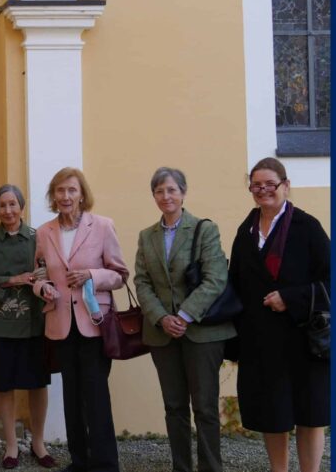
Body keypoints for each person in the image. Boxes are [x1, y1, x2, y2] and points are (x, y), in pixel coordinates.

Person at [229, 157, 330, 472]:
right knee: (274, 415)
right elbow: (234, 285)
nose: (263, 190)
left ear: (286, 186)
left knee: (309, 413)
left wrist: (290, 298)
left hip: (304, 338)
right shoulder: (245, 232)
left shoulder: (307, 226)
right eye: (256, 185)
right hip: (262, 341)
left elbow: (333, 279)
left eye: (270, 184)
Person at [133, 167, 236, 472]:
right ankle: (181, 467)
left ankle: (210, 468)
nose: (166, 196)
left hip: (202, 333)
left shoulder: (204, 229)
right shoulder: (146, 236)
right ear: (154, 196)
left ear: (183, 192)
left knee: (204, 407)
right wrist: (162, 318)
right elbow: (142, 282)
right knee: (174, 407)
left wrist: (184, 315)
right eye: (159, 191)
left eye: (171, 190)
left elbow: (215, 278)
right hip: (162, 334)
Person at [31, 167, 128, 472]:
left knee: (96, 396)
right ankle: (79, 461)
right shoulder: (44, 232)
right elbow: (39, 272)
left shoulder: (102, 226)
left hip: (94, 324)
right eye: (60, 191)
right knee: (71, 396)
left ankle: (105, 464)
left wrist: (91, 275)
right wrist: (42, 287)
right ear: (53, 196)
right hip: (60, 324)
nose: (66, 196)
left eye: (72, 190)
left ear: (82, 194)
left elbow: (119, 275)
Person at [0, 184, 56, 470]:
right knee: (4, 384)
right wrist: (14, 280)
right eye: (2, 205)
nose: (8, 210)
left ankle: (38, 442)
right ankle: (10, 445)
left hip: (35, 321)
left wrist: (43, 281)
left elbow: (49, 271)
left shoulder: (39, 236)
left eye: (12, 204)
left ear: (22, 206)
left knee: (38, 383)